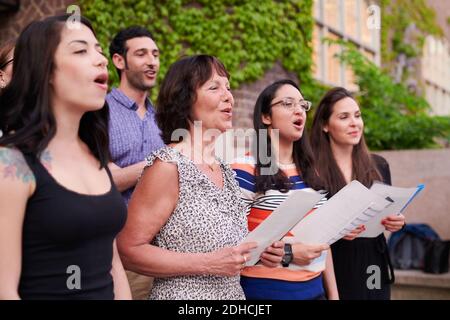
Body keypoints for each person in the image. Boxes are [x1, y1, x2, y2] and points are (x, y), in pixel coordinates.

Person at [117, 55, 283, 300]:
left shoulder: (224, 170)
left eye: (228, 87)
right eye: (214, 87)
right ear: (185, 99)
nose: (229, 96)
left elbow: (224, 252)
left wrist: (257, 251)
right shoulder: (168, 166)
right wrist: (207, 264)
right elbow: (128, 250)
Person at [0, 15, 131, 300]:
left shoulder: (95, 154)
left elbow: (113, 265)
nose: (100, 59)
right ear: (44, 70)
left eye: (98, 49)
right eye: (81, 50)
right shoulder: (11, 164)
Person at [232, 79, 339, 300]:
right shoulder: (243, 169)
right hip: (264, 294)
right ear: (266, 117)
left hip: (315, 291)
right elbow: (231, 247)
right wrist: (289, 254)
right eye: (288, 103)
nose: (298, 110)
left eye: (302, 105)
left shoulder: (313, 174)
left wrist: (334, 296)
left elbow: (323, 245)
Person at [310, 87, 406, 300]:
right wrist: (337, 230)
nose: (355, 123)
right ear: (325, 125)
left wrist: (395, 220)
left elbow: (387, 211)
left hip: (374, 260)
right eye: (344, 117)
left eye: (357, 115)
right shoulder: (312, 170)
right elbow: (308, 228)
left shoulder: (379, 165)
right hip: (334, 264)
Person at [107, 26, 165, 206]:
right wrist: (161, 166)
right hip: (113, 230)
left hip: (159, 231)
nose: (152, 62)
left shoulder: (163, 118)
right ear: (119, 61)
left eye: (155, 55)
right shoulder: (99, 111)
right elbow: (101, 181)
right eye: (141, 54)